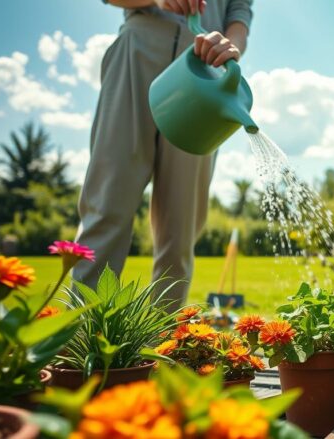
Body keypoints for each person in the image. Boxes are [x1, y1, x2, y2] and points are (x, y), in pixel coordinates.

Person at [73, 0, 253, 311]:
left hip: (204, 75)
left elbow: (239, 19)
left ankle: (162, 344)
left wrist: (229, 46)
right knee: (107, 203)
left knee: (181, 227)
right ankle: (78, 338)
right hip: (138, 50)